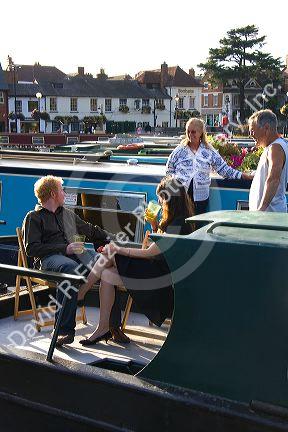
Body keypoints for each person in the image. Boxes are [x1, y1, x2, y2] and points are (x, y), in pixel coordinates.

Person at [78, 176, 195, 345]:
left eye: (161, 199)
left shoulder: (178, 225)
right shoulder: (174, 222)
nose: (160, 203)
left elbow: (149, 253)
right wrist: (154, 227)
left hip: (163, 282)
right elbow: (155, 252)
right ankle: (103, 328)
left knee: (110, 252)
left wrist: (118, 249)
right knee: (107, 274)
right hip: (157, 272)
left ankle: (81, 293)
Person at [23, 175, 129, 346]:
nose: (64, 193)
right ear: (53, 194)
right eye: (61, 190)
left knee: (109, 260)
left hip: (75, 256)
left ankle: (111, 326)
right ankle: (64, 331)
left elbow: (90, 229)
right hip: (50, 259)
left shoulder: (67, 214)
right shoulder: (33, 217)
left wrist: (109, 241)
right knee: (70, 269)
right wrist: (64, 248)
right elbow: (32, 249)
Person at [166, 117, 251, 215]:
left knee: (196, 225)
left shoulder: (209, 151)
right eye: (188, 131)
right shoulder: (179, 150)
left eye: (193, 132)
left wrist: (243, 175)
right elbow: (169, 169)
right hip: (180, 196)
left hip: (200, 198)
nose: (190, 135)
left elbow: (223, 169)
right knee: (180, 226)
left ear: (201, 132)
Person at [248, 110, 288, 212]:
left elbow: (273, 179)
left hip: (269, 216)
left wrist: (261, 209)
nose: (251, 135)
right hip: (268, 215)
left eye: (253, 130)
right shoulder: (275, 146)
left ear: (266, 128)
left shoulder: (275, 148)